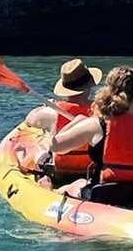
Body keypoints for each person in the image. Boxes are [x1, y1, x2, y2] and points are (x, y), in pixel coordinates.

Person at [47, 65, 133, 212]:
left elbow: (55, 146)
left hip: (107, 196)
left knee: (76, 184)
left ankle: (50, 194)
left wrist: (78, 120)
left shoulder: (98, 123)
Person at [18, 58, 101, 187]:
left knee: (39, 146)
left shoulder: (52, 113)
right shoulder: (101, 111)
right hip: (92, 171)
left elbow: (30, 119)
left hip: (61, 174)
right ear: (89, 86)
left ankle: (21, 158)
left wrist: (45, 107)